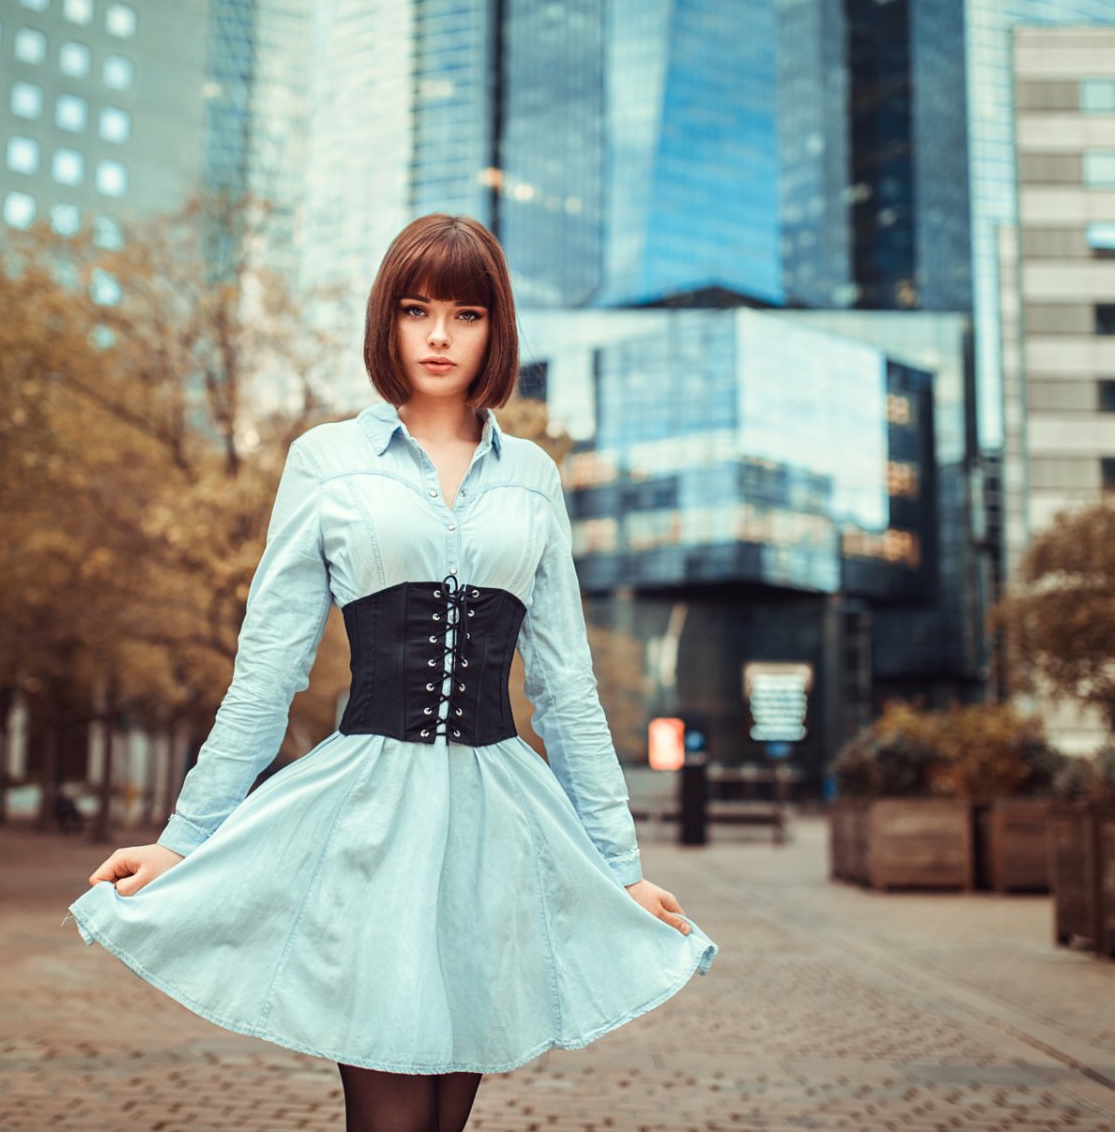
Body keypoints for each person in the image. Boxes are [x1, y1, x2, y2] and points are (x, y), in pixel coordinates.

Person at [64, 214, 717, 1131]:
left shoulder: (533, 477)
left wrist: (621, 868)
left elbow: (566, 689)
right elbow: (268, 671)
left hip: (497, 825)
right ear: (389, 321)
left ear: (495, 330)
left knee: (446, 1118)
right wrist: (184, 838)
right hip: (367, 817)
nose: (439, 335)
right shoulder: (325, 460)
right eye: (416, 310)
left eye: (466, 314)